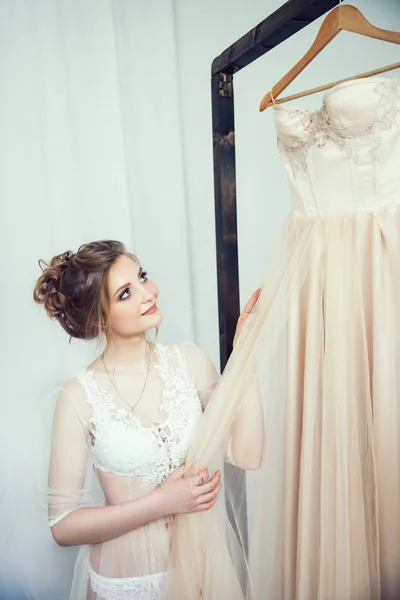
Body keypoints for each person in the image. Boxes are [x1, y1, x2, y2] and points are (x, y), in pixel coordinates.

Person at [33, 239, 262, 600]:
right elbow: (62, 526)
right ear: (98, 317)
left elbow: (247, 454)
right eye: (126, 293)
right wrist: (160, 503)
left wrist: (246, 356)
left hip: (201, 574)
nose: (147, 293)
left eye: (142, 277)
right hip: (127, 584)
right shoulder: (78, 396)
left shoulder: (190, 363)